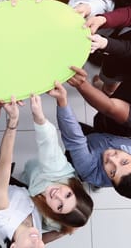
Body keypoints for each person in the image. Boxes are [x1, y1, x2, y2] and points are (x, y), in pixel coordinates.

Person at [49, 81, 131, 199]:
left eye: (112, 172)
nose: (111, 158)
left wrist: (62, 100)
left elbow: (75, 139)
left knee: (75, 131)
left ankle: (96, 184)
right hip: (104, 137)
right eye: (124, 162)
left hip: (87, 148)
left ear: (112, 182)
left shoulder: (88, 168)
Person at [21, 94, 93, 234]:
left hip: (32, 184)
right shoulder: (57, 169)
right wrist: (39, 117)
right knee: (29, 170)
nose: (57, 195)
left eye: (59, 206)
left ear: (55, 214)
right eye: (68, 195)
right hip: (37, 170)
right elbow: (48, 142)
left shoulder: (49, 219)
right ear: (74, 188)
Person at [0, 96, 49, 247]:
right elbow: (38, 241)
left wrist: (13, 122)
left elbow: (4, 164)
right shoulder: (33, 235)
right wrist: (61, 233)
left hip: (1, 185)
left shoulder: (1, 215)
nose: (37, 241)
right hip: (24, 193)